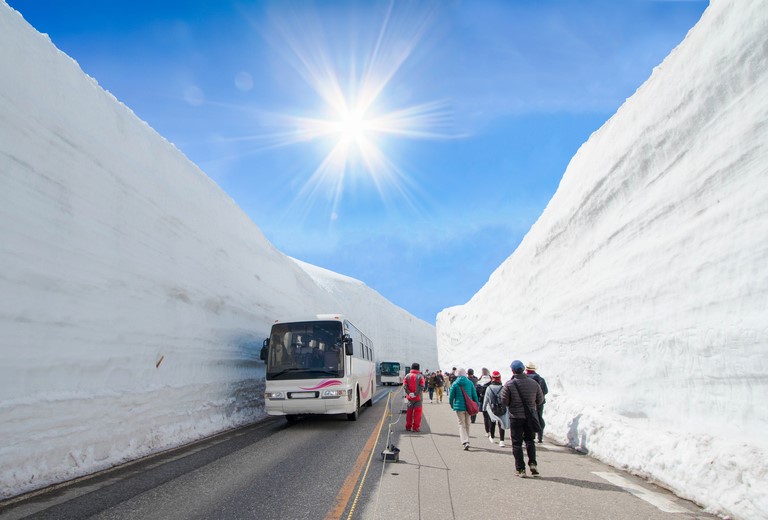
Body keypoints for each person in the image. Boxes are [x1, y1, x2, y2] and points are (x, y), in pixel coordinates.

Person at [500, 360, 544, 477]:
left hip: (516, 417)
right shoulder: (534, 383)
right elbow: (540, 400)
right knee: (530, 441)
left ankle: (520, 469)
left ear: (513, 370)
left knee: (517, 443)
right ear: (523, 369)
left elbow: (504, 400)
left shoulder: (509, 384)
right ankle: (533, 463)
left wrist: (513, 403)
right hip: (530, 417)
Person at [448, 368, 479, 450]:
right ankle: (467, 440)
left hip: (459, 407)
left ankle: (465, 441)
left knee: (461, 424)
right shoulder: (470, 383)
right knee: (468, 423)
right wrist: (477, 403)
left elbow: (451, 396)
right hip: (469, 407)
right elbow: (474, 394)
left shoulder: (455, 383)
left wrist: (451, 404)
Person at [482, 371, 509, 447]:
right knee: (501, 424)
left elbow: (486, 400)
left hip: (492, 408)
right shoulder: (503, 388)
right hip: (501, 408)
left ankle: (492, 437)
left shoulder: (489, 388)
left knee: (492, 422)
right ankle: (502, 441)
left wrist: (483, 409)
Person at [526, 362, 549, 443]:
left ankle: (530, 435)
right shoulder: (541, 379)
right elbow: (545, 391)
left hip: (528, 402)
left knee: (527, 418)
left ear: (526, 369)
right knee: (539, 418)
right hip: (539, 402)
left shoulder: (524, 379)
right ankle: (540, 436)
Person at [403, 363, 426, 432]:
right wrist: (415, 394)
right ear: (418, 368)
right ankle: (415, 428)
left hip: (410, 398)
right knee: (417, 413)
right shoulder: (420, 376)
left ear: (411, 368)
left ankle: (408, 427)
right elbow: (422, 386)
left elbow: (405, 385)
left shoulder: (407, 376)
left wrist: (409, 393)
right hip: (418, 398)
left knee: (409, 413)